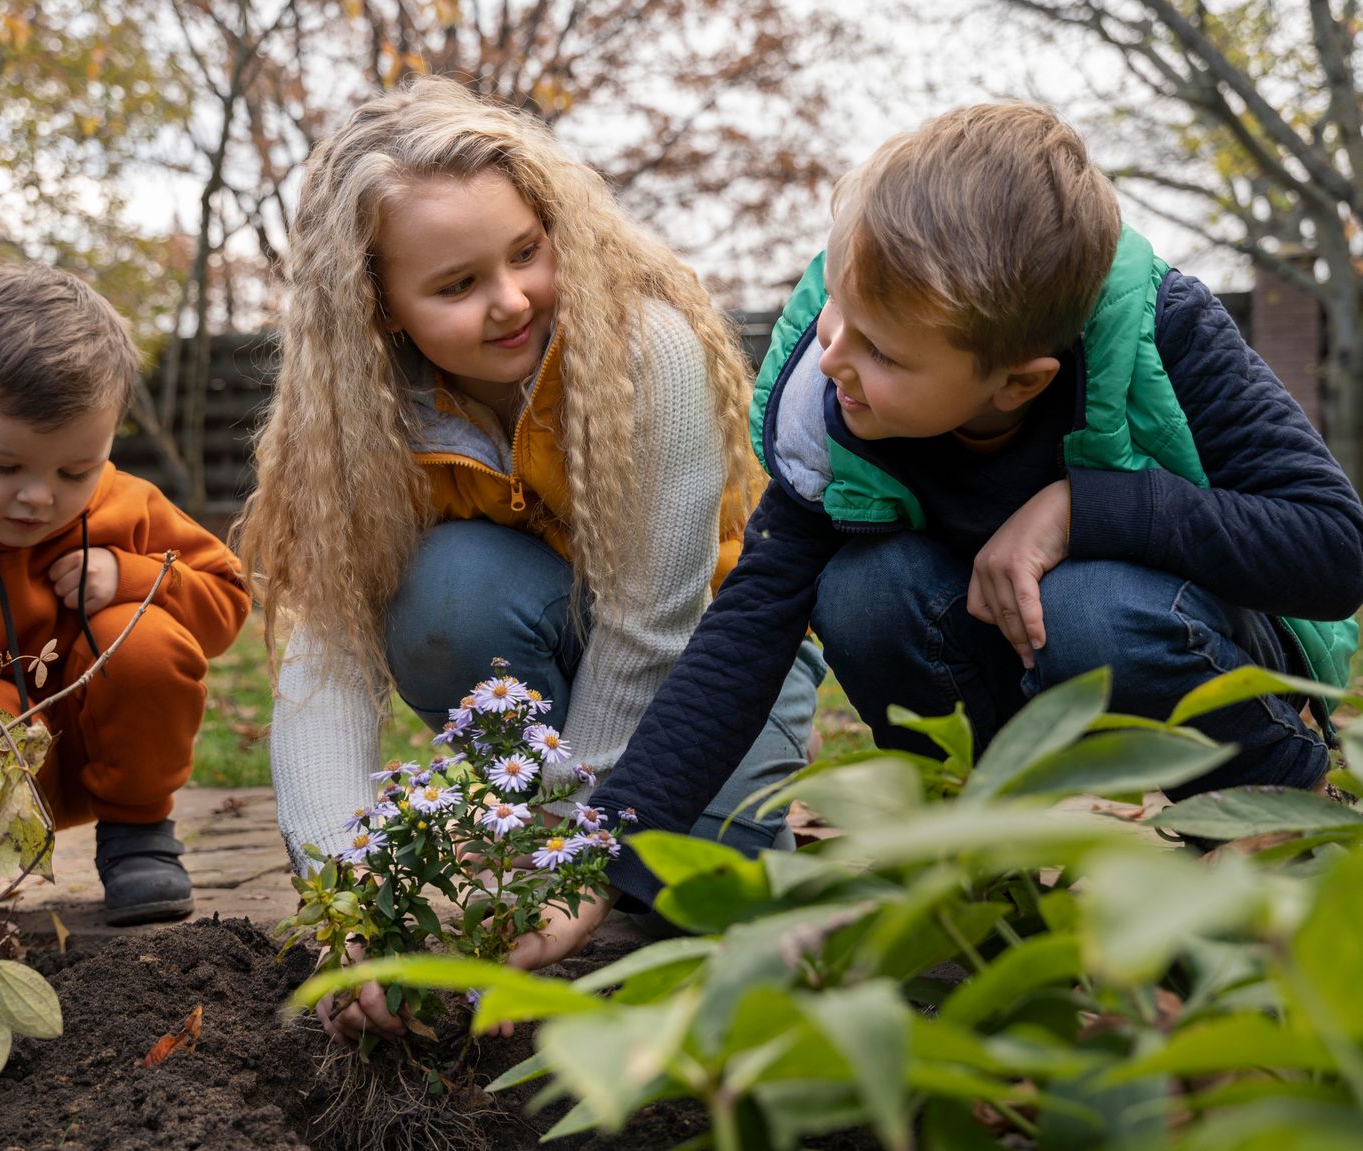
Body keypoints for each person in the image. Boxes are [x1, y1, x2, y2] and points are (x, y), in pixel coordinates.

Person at [524, 101, 1363, 957]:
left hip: (1176, 645)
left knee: (1095, 611)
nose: (838, 356)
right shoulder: (835, 404)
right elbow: (746, 629)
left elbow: (1335, 547)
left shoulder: (1160, 332)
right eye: (838, 310)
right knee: (861, 588)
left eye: (885, 354)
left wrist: (1089, 508)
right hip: (998, 662)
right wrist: (596, 861)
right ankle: (979, 871)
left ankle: (1267, 825)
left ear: (1017, 383)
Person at [233, 76, 824, 1039]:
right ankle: (579, 862)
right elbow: (327, 662)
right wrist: (346, 896)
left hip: (713, 666)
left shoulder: (645, 351)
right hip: (531, 639)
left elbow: (648, 632)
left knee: (712, 907)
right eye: (458, 285)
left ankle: (629, 860)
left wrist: (566, 861)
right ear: (381, 306)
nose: (510, 300)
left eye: (525, 253)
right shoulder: (352, 422)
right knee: (445, 588)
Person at [0, 264, 251, 1004]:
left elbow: (226, 597)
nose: (37, 496)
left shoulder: (126, 506)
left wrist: (126, 575)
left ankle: (138, 834)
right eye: (3, 464)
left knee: (145, 637)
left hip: (68, 752)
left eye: (74, 469)